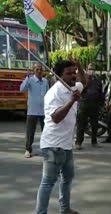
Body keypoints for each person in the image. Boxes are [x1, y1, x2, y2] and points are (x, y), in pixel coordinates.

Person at [35, 60, 86, 214]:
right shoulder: (53, 94)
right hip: (53, 145)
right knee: (48, 182)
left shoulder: (74, 86)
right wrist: (72, 101)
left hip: (66, 145)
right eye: (68, 73)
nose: (73, 76)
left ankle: (64, 209)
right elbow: (56, 118)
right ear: (59, 76)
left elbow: (84, 81)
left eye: (74, 72)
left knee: (67, 178)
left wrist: (80, 66)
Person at [20, 63, 49, 158]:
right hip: (32, 111)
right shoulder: (30, 80)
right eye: (37, 69)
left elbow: (48, 94)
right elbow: (22, 89)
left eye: (41, 69)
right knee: (30, 132)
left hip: (44, 111)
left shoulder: (45, 81)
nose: (39, 71)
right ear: (33, 71)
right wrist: (27, 78)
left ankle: (46, 149)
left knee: (46, 131)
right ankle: (28, 150)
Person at [75, 63, 104, 150]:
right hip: (84, 104)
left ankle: (94, 141)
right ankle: (78, 142)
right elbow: (79, 90)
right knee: (81, 124)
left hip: (94, 105)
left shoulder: (98, 80)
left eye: (93, 69)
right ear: (87, 69)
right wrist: (85, 84)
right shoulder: (83, 79)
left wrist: (101, 104)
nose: (92, 70)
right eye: (90, 69)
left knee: (94, 125)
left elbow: (100, 93)